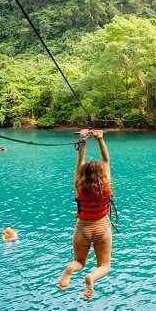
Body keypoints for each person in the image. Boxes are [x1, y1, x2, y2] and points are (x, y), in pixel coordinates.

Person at [58, 129, 112, 301]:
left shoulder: (79, 186)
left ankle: (70, 270)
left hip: (82, 229)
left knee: (79, 263)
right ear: (102, 175)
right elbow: (106, 160)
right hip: (102, 228)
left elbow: (80, 160)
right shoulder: (105, 186)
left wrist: (82, 138)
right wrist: (100, 138)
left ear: (83, 175)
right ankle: (91, 278)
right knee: (104, 265)